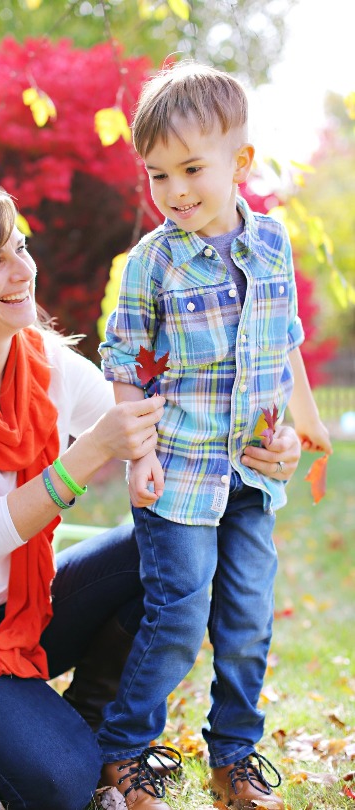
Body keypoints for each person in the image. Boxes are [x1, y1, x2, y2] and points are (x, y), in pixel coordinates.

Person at [0, 183, 302, 810]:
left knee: (176, 553)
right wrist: (92, 451)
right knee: (60, 780)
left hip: (21, 611)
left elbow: (166, 421)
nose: (22, 270)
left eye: (19, 247)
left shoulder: (46, 363)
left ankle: (106, 730)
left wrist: (271, 445)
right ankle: (70, 739)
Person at [98, 61, 331, 810]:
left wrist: (304, 425)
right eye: (157, 174)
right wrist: (138, 457)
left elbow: (283, 341)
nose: (174, 191)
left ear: (242, 162)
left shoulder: (272, 245)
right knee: (180, 615)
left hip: (253, 475)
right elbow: (127, 360)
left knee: (246, 621)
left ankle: (233, 758)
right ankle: (125, 751)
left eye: (192, 168)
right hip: (180, 472)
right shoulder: (152, 262)